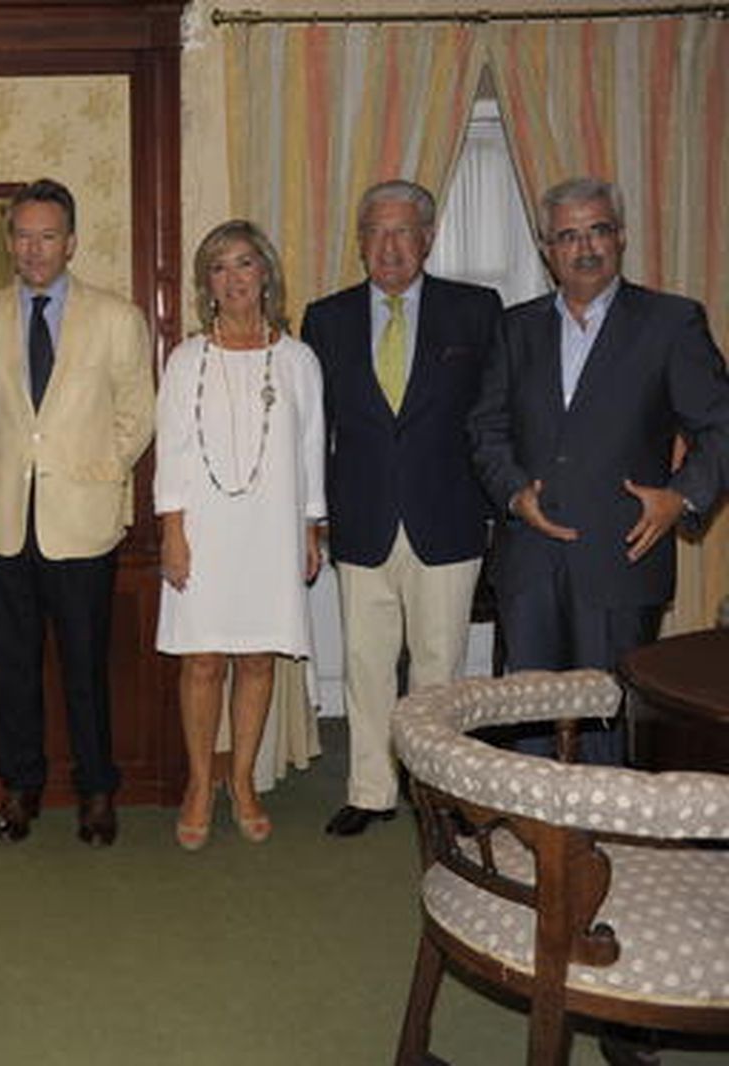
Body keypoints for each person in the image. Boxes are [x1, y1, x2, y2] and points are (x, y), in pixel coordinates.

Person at [469, 177, 729, 765]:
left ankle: (607, 852)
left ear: (622, 236)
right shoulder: (515, 328)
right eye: (568, 236)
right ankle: (536, 843)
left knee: (611, 726)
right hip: (529, 561)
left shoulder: (671, 322)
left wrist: (681, 499)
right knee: (529, 720)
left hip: (623, 556)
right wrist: (513, 494)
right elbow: (484, 428)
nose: (584, 248)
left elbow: (721, 425)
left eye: (598, 231)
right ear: (546, 249)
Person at [0, 178, 154, 847]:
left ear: (70, 242)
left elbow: (138, 413)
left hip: (83, 520)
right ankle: (21, 786)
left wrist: (100, 469)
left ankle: (96, 790)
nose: (34, 248)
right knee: (11, 664)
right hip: (5, 520)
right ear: (9, 241)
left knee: (84, 665)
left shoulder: (117, 317)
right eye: (23, 235)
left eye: (48, 236)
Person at [301, 180, 502, 838]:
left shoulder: (476, 311)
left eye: (403, 231)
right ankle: (371, 789)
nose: (389, 246)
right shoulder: (324, 319)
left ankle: (437, 793)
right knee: (365, 663)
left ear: (428, 237)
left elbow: (495, 416)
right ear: (360, 243)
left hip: (447, 518)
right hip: (360, 519)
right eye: (376, 232)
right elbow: (314, 429)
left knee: (440, 666)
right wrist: (311, 515)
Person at [155, 220, 325, 849]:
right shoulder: (185, 360)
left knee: (257, 658)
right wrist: (173, 532)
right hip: (203, 529)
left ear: (266, 275)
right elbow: (170, 452)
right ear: (207, 282)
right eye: (220, 267)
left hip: (272, 528)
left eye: (245, 264)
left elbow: (312, 450)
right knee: (202, 660)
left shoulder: (299, 359)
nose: (233, 279)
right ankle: (202, 783)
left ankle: (244, 781)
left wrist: (311, 526)